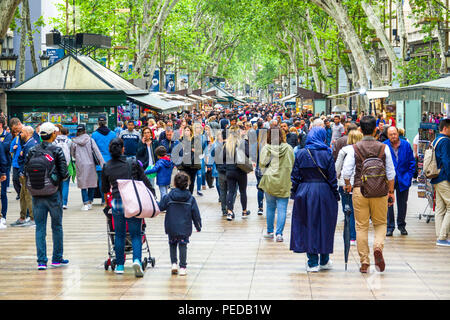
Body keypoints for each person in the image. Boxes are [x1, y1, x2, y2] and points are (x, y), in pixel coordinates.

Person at [342, 116, 396, 273]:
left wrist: (348, 185)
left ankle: (364, 261)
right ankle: (378, 247)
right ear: (375, 130)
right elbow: (391, 173)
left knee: (361, 226)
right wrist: (391, 192)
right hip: (380, 191)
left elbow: (346, 171)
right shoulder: (383, 148)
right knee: (380, 223)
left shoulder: (355, 148)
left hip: (360, 190)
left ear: (360, 130)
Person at [101, 138, 155, 277]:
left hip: (117, 202)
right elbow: (144, 180)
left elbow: (105, 188)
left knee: (119, 234)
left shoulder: (107, 166)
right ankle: (136, 260)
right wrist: (152, 194)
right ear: (123, 149)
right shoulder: (133, 163)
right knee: (136, 234)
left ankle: (119, 265)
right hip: (133, 202)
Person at [290, 127, 339, 272]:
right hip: (324, 192)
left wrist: (295, 192)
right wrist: (335, 193)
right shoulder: (327, 153)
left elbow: (295, 176)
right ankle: (324, 259)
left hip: (305, 191)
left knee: (307, 225)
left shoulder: (301, 153)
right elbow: (332, 177)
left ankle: (312, 262)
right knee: (325, 224)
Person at [25, 122, 69, 270]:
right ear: (53, 134)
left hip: (36, 193)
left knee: (40, 228)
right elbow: (64, 174)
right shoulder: (57, 150)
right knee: (57, 226)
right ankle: (57, 259)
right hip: (53, 193)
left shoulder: (32, 150)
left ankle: (41, 261)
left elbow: (26, 170)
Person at [158, 172, 201, 276]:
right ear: (187, 184)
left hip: (171, 226)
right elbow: (196, 213)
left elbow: (160, 207)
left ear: (175, 183)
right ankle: (182, 267)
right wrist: (198, 225)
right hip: (184, 227)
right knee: (183, 245)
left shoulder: (168, 197)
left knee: (172, 244)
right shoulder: (190, 198)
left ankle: (173, 264)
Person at [258, 127, 294, 242]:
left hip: (270, 180)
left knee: (270, 207)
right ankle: (279, 234)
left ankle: (269, 231)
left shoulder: (266, 148)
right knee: (282, 208)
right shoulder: (288, 148)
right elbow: (293, 163)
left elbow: (262, 163)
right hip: (284, 180)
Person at [384, 126, 416, 236]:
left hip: (403, 178)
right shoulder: (384, 145)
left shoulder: (406, 145)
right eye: (391, 134)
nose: (393, 136)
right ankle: (390, 227)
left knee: (402, 204)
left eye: (395, 134)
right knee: (389, 203)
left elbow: (412, 162)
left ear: (398, 133)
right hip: (389, 179)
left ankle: (401, 225)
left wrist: (409, 176)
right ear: (388, 136)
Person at [335, 130, 364, 246]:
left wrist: (337, 177)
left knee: (347, 210)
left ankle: (351, 236)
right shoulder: (364, 150)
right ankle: (357, 235)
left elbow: (337, 167)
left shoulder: (344, 150)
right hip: (360, 183)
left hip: (345, 184)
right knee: (358, 211)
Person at [71, 124, 105, 211]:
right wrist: (103, 164)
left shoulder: (74, 142)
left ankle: (85, 203)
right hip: (90, 164)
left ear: (77, 132)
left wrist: (77, 157)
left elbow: (72, 153)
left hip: (80, 164)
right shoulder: (90, 140)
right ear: (85, 131)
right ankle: (90, 202)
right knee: (91, 183)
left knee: (83, 185)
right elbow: (97, 152)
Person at [12, 126, 38, 227]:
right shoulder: (28, 144)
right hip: (24, 174)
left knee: (28, 196)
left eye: (22, 133)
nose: (20, 134)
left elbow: (28, 161)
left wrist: (23, 172)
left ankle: (32, 218)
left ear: (27, 133)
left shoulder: (30, 145)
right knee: (23, 195)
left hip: (27, 175)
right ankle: (22, 217)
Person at [223, 125, 251, 221]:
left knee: (230, 191)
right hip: (241, 170)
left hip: (230, 171)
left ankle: (230, 212)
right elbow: (248, 154)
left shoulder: (227, 144)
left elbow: (222, 158)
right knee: (243, 191)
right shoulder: (243, 143)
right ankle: (244, 211)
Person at [430, 119, 450, 246]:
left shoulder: (436, 140)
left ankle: (440, 236)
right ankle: (442, 237)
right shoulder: (446, 141)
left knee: (440, 208)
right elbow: (447, 160)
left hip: (436, 177)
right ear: (446, 128)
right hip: (444, 177)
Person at [91, 116, 116, 206]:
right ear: (106, 122)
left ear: (98, 123)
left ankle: (103, 200)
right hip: (111, 161)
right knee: (111, 181)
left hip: (99, 162)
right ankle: (110, 198)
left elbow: (93, 150)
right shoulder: (113, 134)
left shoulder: (94, 135)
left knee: (102, 181)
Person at [54, 126, 72, 209]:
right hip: (66, 164)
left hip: (56, 164)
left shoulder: (55, 141)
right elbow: (71, 153)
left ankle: (58, 201)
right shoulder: (69, 141)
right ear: (67, 133)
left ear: (60, 132)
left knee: (57, 184)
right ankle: (64, 203)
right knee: (66, 184)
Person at [0, 116, 12, 225]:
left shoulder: (7, 135)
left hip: (4, 167)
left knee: (2, 193)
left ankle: (3, 215)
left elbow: (6, 147)